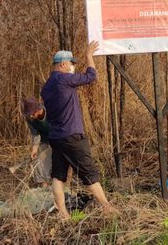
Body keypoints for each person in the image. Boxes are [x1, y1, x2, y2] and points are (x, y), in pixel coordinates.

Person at [41, 41, 116, 220]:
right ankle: (108, 209)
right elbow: (91, 76)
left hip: (56, 137)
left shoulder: (46, 87)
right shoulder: (63, 79)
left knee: (58, 177)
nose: (73, 67)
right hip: (72, 136)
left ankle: (63, 214)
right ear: (62, 64)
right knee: (89, 172)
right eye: (72, 64)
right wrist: (89, 56)